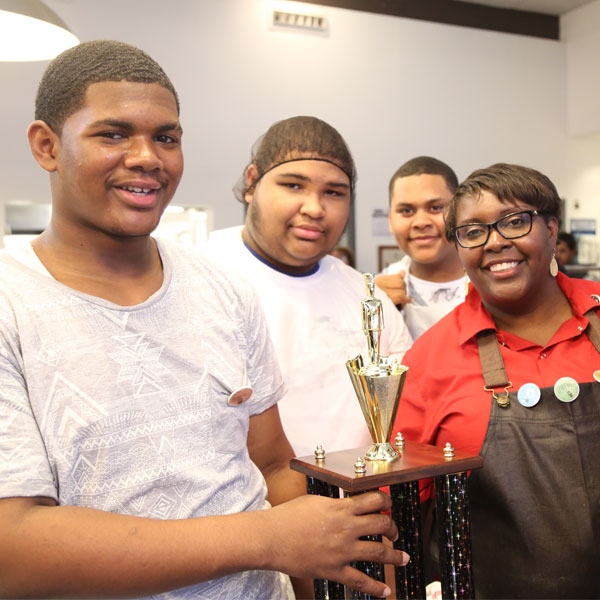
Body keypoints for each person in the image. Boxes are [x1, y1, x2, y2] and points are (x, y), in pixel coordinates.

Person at [0, 41, 409, 599]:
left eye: (166, 137)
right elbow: (14, 549)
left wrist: (337, 543)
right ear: (47, 145)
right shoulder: (11, 300)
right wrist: (266, 538)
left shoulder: (222, 289)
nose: (148, 156)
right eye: (113, 134)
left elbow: (270, 469)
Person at [394, 163, 600, 598]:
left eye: (514, 221)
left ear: (550, 227)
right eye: (473, 231)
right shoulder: (429, 360)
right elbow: (407, 512)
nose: (495, 242)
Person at [203, 116, 412, 457]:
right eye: (293, 186)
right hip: (247, 507)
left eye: (333, 192)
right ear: (252, 183)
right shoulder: (196, 280)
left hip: (358, 501)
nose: (314, 208)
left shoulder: (369, 298)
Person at [375, 156, 467, 339]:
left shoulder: (492, 281)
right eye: (407, 211)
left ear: (460, 213)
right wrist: (369, 317)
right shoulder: (376, 293)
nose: (421, 222)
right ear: (391, 222)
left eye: (435, 207)